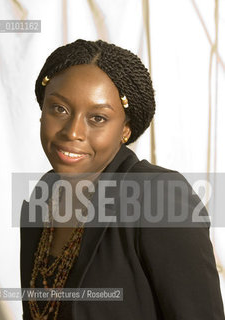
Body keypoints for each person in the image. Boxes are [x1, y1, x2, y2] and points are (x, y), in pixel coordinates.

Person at [20, 39, 225, 319]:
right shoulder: (45, 193)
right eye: (60, 109)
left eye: (98, 118)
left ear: (125, 130)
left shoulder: (158, 195)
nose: (73, 132)